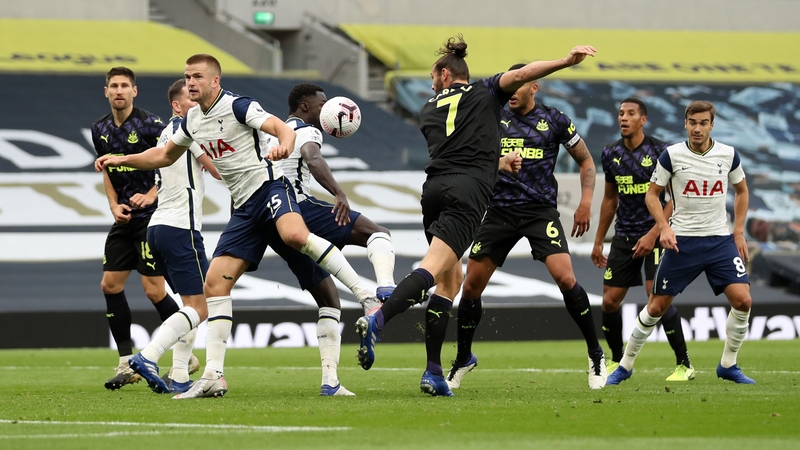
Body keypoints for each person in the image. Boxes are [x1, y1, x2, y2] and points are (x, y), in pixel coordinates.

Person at [96, 54, 378, 399]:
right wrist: (122, 159)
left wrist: (285, 145)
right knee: (214, 286)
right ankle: (213, 375)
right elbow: (164, 155)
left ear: (215, 81)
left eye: (197, 77)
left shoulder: (237, 105)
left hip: (269, 188)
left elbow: (281, 128)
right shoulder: (192, 120)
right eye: (187, 77)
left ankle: (365, 297)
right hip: (244, 208)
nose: (191, 83)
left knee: (294, 234)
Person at [354, 35, 597, 396]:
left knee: (449, 282)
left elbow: (462, 151)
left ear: (445, 75)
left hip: (433, 192)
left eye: (433, 77)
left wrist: (498, 161)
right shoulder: (484, 92)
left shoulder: (428, 109)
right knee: (432, 269)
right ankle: (379, 317)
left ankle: (434, 372)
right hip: (466, 196)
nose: (431, 84)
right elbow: (522, 74)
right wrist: (565, 61)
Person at [446, 63, 607, 391]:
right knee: (471, 287)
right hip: (499, 212)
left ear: (533, 87)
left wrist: (586, 202)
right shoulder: (494, 118)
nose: (511, 92)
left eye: (518, 85)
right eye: (509, 86)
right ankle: (463, 358)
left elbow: (586, 160)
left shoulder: (554, 120)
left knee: (566, 278)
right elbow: (474, 159)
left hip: (539, 212)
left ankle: (596, 354)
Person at [607, 100, 755, 385]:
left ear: (712, 125)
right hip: (682, 242)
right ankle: (625, 366)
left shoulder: (728, 154)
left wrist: (738, 231)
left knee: (743, 300)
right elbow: (652, 195)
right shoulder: (671, 155)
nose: (697, 128)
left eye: (703, 123)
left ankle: (728, 364)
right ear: (685, 124)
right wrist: (663, 228)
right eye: (692, 122)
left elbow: (742, 190)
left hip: (718, 241)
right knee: (656, 307)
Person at [126, 79, 220, 394]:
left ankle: (179, 374)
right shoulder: (187, 129)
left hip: (159, 228)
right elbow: (217, 169)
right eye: (191, 100)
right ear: (176, 106)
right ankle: (148, 356)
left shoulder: (167, 133)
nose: (198, 105)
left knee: (191, 306)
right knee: (201, 307)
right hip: (181, 228)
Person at [92, 67, 183, 390]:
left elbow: (171, 161)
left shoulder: (151, 124)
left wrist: (152, 194)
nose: (119, 90)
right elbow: (106, 170)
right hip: (124, 218)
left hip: (152, 218)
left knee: (154, 291)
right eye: (114, 85)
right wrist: (113, 205)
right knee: (110, 285)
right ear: (106, 91)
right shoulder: (100, 129)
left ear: (134, 91)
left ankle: (184, 354)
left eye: (124, 86)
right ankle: (125, 361)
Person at [591, 98, 693, 382]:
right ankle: (617, 361)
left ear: (643, 120)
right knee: (610, 301)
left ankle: (684, 364)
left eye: (630, 113)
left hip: (657, 235)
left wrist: (654, 233)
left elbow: (674, 199)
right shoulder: (610, 153)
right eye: (621, 113)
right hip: (624, 236)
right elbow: (610, 199)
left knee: (656, 297)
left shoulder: (661, 152)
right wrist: (598, 241)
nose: (623, 118)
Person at [278, 83, 396, 300]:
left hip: (271, 219)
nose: (327, 110)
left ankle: (368, 305)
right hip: (298, 208)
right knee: (378, 233)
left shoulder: (274, 133)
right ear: (305, 106)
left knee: (329, 300)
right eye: (322, 105)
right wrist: (338, 193)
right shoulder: (306, 130)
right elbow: (313, 159)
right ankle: (387, 287)